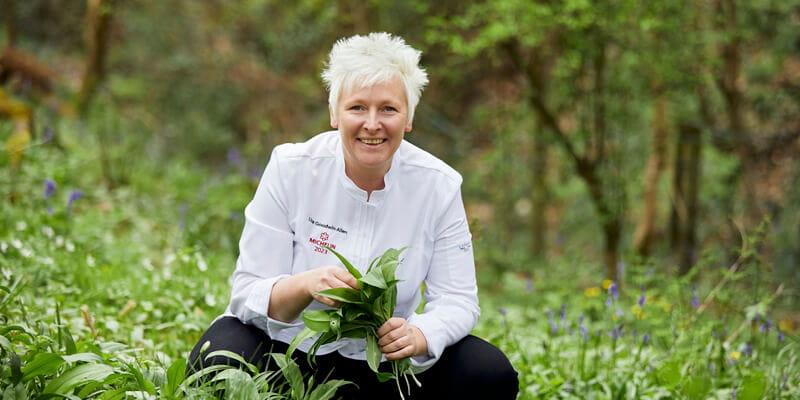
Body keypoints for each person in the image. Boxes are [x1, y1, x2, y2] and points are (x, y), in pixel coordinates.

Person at [188, 32, 518, 399]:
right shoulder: (291, 168)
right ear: (334, 113)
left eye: (389, 109)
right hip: (291, 355)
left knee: (488, 372)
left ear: (408, 117)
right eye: (357, 107)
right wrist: (306, 285)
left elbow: (457, 300)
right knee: (218, 354)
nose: (372, 124)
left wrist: (419, 335)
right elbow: (248, 291)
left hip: (385, 368)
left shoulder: (438, 185)